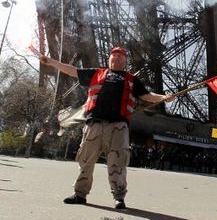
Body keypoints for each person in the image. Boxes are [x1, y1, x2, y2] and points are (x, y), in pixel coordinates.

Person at [39, 47, 174, 209]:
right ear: (109, 59)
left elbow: (146, 95)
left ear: (125, 61)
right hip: (94, 124)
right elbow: (73, 71)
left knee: (118, 162)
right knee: (86, 160)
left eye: (120, 56)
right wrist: (52, 62)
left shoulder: (131, 79)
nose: (116, 58)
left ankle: (119, 197)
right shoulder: (96, 73)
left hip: (118, 126)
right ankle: (80, 194)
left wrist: (163, 98)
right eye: (113, 56)